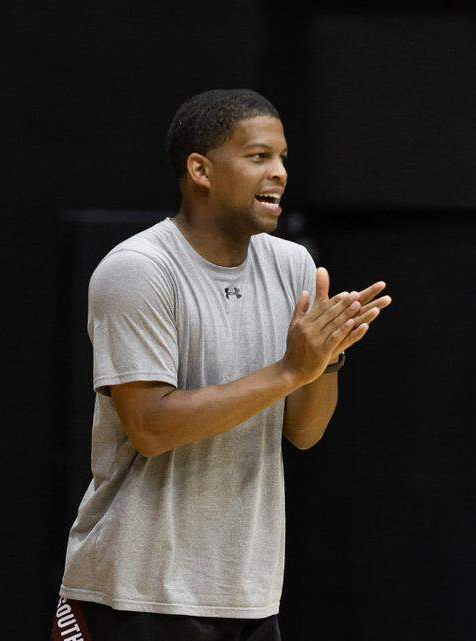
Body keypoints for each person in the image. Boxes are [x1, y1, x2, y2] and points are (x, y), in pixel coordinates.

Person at [53, 89, 392, 640]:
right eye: (259, 157)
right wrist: (288, 371)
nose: (279, 173)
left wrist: (325, 362)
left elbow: (304, 433)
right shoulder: (139, 269)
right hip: (135, 593)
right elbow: (151, 427)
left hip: (248, 595)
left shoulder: (293, 265)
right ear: (200, 170)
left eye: (283, 158)